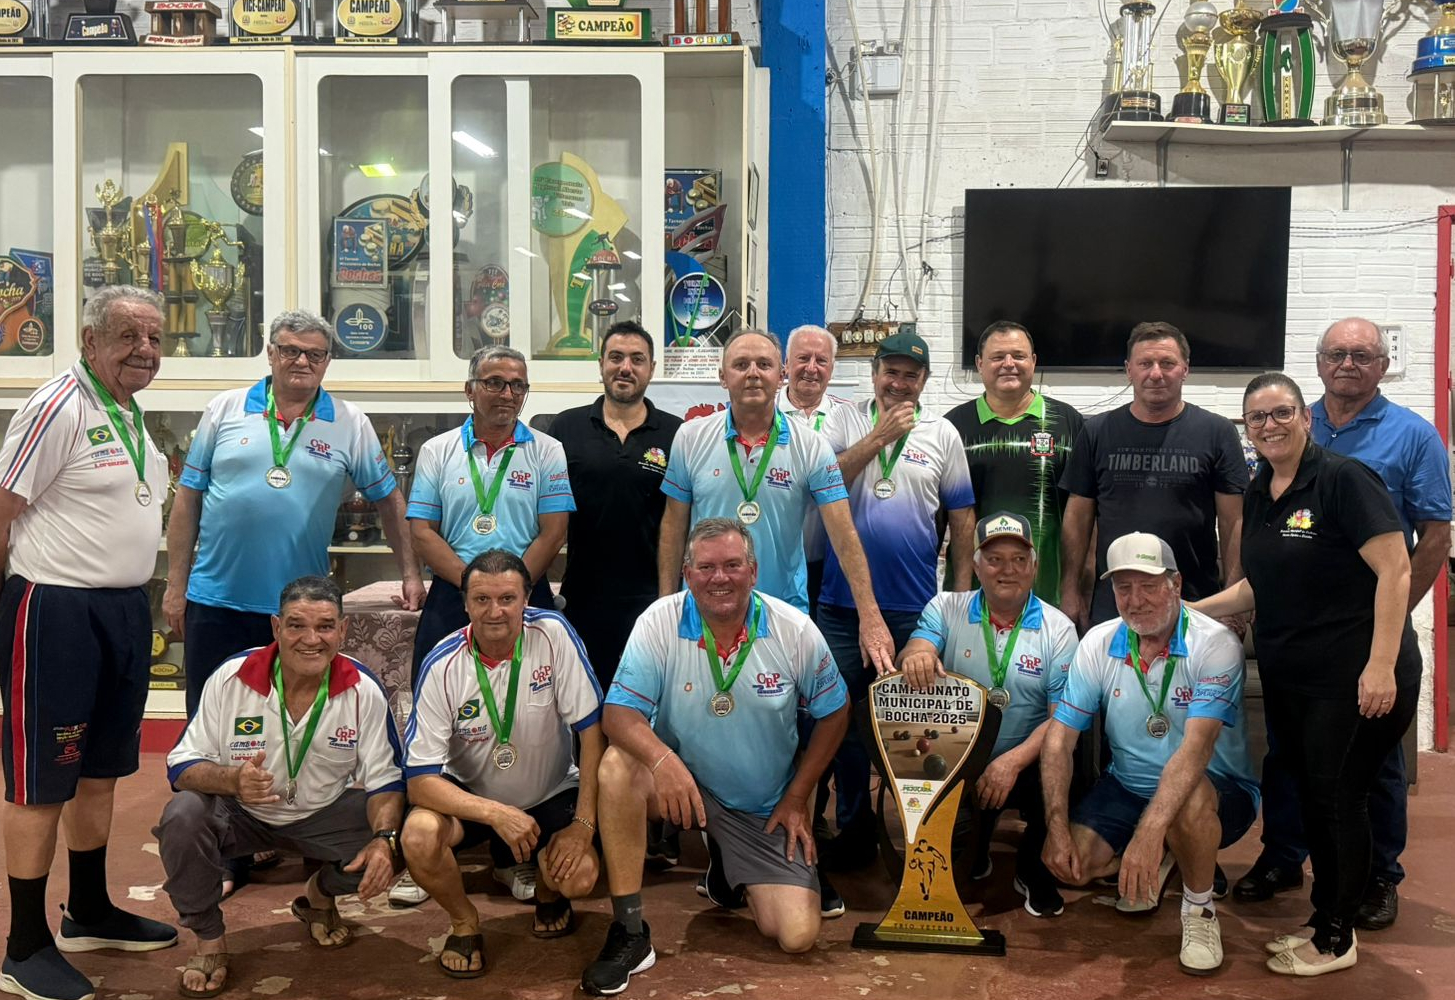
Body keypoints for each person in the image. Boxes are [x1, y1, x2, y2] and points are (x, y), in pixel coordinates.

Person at [1192, 373, 1418, 976]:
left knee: (1339, 800)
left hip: (1355, 674)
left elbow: (1395, 571)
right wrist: (1187, 612)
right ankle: (1324, 920)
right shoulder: (1263, 486)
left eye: (1281, 412)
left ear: (1306, 418)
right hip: (1296, 675)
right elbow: (1259, 582)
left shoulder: (1344, 480)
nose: (1270, 425)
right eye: (1257, 417)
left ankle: (1337, 938)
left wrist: (1380, 665)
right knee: (1317, 799)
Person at [1238, 320, 1451, 930]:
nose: (1348, 363)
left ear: (1382, 365)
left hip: (1359, 658)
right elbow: (1269, 568)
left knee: (1358, 779)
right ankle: (1286, 859)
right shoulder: (1268, 476)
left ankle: (1371, 882)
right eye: (1336, 353)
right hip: (1296, 660)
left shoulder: (1406, 440)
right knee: (1294, 764)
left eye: (1362, 354)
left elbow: (1426, 542)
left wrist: (1383, 636)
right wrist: (1192, 609)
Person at [580, 518, 849, 997]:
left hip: (761, 806)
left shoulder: (794, 629)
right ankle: (630, 931)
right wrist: (663, 763)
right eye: (705, 567)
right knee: (618, 767)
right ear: (687, 573)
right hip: (682, 785)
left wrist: (799, 796)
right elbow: (618, 714)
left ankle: (726, 864)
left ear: (753, 570)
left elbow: (835, 712)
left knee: (796, 936)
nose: (718, 577)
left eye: (731, 565)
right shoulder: (659, 620)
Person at [0, 286, 178, 1000]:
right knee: (41, 782)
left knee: (100, 772)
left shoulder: (128, 412)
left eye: (155, 339)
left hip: (122, 610)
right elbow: (4, 509)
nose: (145, 351)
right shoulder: (55, 407)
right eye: (129, 336)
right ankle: (24, 944)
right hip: (54, 610)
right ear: (88, 337)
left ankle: (88, 909)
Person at [164, 309, 424, 719]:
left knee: (292, 717)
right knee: (209, 717)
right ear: (270, 353)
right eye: (290, 351)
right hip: (217, 601)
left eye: (315, 355)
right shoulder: (224, 409)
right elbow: (187, 497)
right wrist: (175, 586)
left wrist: (411, 573)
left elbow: (389, 502)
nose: (302, 362)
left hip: (300, 611)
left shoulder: (349, 422)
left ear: (327, 362)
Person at [157, 576, 405, 997]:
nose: (312, 639)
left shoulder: (363, 689)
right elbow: (180, 764)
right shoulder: (231, 677)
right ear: (275, 628)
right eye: (296, 625)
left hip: (324, 813)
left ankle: (319, 894)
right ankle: (209, 939)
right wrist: (231, 780)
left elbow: (385, 778)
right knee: (182, 816)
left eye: (326, 626)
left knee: (409, 837)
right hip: (241, 814)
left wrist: (384, 838)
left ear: (343, 631)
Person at [1041, 532, 1258, 977]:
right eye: (1123, 587)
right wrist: (1056, 826)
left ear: (1176, 584)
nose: (1135, 600)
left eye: (1149, 585)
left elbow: (1197, 748)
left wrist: (1147, 832)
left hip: (1215, 791)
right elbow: (1060, 740)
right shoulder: (1099, 642)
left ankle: (1199, 912)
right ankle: (1168, 857)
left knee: (1188, 801)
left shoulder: (1215, 644)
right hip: (1128, 785)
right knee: (1073, 867)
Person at [401, 550, 604, 978]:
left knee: (579, 876)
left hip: (550, 791)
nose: (495, 612)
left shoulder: (553, 635)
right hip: (472, 798)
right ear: (465, 603)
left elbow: (592, 732)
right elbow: (420, 783)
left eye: (508, 599)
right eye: (482, 600)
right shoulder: (442, 663)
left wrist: (584, 825)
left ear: (526, 600)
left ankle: (548, 891)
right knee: (418, 836)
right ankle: (464, 922)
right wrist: (496, 814)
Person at [816, 331, 976, 869]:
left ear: (924, 381)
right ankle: (855, 826)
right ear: (875, 373)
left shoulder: (943, 433)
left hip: (914, 608)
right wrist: (878, 438)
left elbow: (962, 518)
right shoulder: (842, 420)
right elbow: (827, 481)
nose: (899, 382)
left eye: (911, 375)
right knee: (841, 722)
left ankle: (918, 834)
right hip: (841, 607)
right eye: (891, 371)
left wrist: (957, 596)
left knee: (915, 727)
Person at [657, 328, 892, 669]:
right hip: (703, 606)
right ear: (723, 377)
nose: (753, 373)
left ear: (780, 375)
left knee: (779, 715)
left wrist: (870, 617)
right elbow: (673, 525)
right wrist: (667, 605)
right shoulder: (691, 437)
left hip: (781, 611)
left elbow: (844, 535)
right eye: (741, 364)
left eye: (763, 364)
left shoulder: (811, 446)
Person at [898, 512, 1078, 917]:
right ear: (975, 565)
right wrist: (919, 655)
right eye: (994, 559)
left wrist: (1010, 763)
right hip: (960, 759)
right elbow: (915, 646)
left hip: (1026, 759)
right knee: (958, 857)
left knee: (1069, 755)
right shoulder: (946, 607)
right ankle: (974, 846)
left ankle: (1033, 867)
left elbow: (1061, 716)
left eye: (1018, 559)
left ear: (1034, 566)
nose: (1007, 570)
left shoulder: (1060, 629)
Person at [1059, 322, 1247, 630]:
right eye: (1145, 363)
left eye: (1167, 363)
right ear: (1128, 369)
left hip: (1197, 604)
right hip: (1114, 607)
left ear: (1185, 369)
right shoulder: (1096, 432)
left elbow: (1234, 521)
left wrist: (1232, 600)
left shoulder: (1217, 432)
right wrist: (1070, 591)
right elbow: (1077, 519)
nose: (1156, 373)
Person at [407, 345, 573, 686]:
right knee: (438, 688)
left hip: (525, 591)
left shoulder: (548, 450)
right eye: (494, 383)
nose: (507, 394)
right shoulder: (436, 451)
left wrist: (511, 589)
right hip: (454, 590)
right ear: (470, 390)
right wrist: (474, 586)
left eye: (518, 385)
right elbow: (422, 531)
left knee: (537, 696)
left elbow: (554, 532)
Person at [551, 320, 683, 687]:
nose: (625, 367)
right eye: (616, 357)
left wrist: (668, 599)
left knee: (644, 706)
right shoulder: (565, 429)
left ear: (651, 369)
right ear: (601, 364)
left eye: (637, 359)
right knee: (586, 706)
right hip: (581, 598)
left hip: (652, 599)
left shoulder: (677, 433)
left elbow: (684, 519)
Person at [946, 321, 1084, 605]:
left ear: (1033, 362)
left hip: (1050, 591)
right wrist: (957, 592)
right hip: (972, 592)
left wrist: (1077, 587)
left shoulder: (1068, 423)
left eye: (1018, 356)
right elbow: (938, 517)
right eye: (998, 357)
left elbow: (1084, 514)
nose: (1009, 364)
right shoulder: (952, 427)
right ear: (979, 363)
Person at [779, 324, 847, 619]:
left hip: (830, 565)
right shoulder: (763, 413)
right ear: (786, 365)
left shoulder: (849, 418)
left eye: (821, 361)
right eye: (802, 358)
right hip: (774, 562)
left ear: (832, 369)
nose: (811, 368)